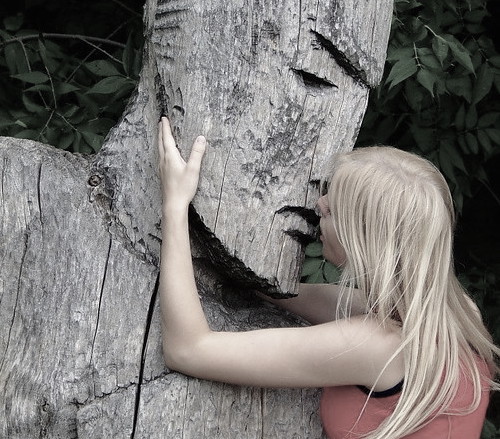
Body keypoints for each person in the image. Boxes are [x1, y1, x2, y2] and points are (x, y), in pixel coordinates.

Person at [157, 116, 499, 438]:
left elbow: (187, 350)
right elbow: (337, 303)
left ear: (363, 239)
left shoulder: (376, 346)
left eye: (332, 210)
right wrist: (246, 277)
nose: (319, 205)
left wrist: (175, 205)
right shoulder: (457, 314)